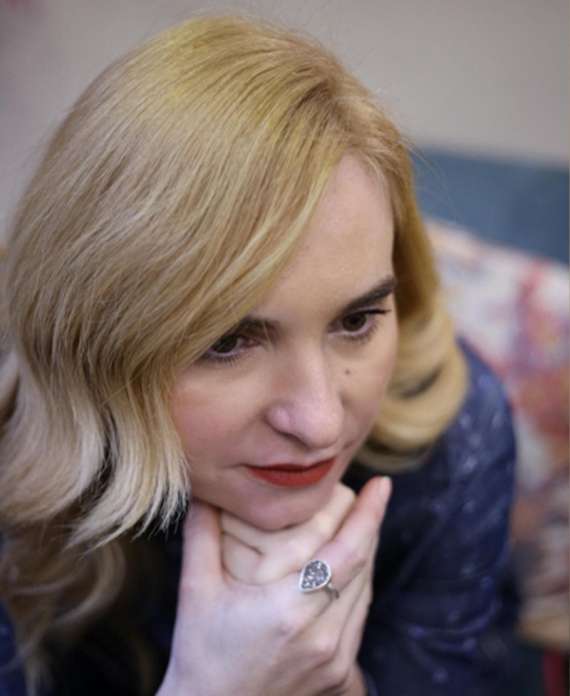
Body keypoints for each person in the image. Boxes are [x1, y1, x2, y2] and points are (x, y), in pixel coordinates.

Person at [0, 14, 518, 696]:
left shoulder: (454, 427)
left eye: (356, 320)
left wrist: (327, 678)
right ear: (95, 340)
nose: (320, 425)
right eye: (225, 342)